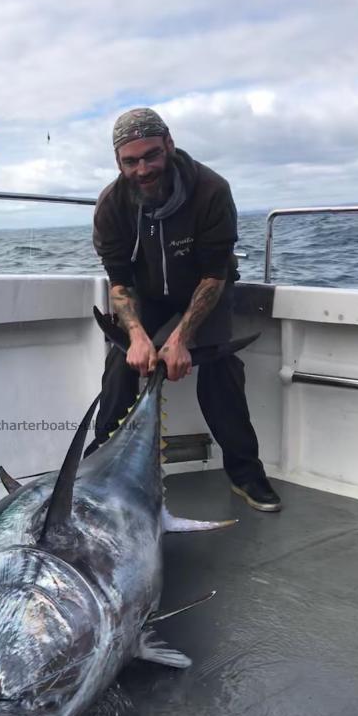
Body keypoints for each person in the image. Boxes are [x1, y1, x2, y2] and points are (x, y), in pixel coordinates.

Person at [84, 107, 281, 512]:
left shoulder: (211, 190)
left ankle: (245, 472)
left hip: (206, 289)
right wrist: (137, 337)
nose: (143, 169)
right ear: (118, 161)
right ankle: (99, 464)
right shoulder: (111, 205)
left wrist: (180, 339)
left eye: (151, 155)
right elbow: (119, 281)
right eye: (131, 160)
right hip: (148, 293)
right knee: (120, 365)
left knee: (220, 369)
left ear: (169, 145)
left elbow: (214, 274)